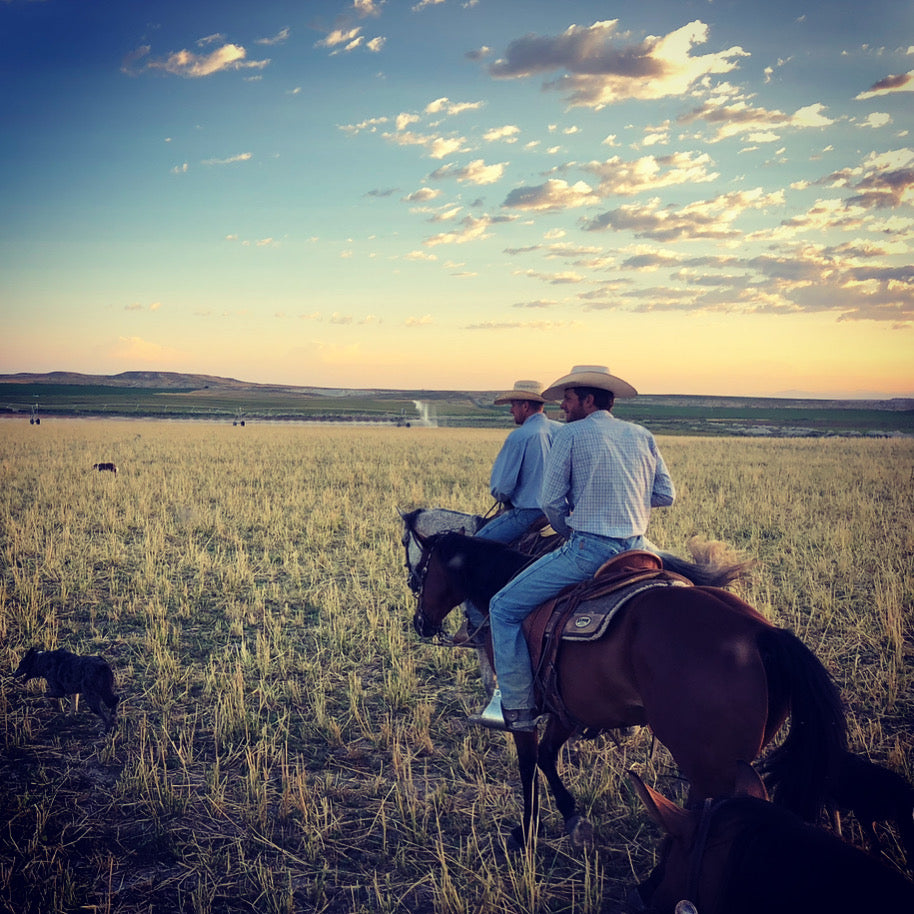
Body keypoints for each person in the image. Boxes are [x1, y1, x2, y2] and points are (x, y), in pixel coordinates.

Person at [480, 365, 676, 732]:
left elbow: (550, 500)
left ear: (588, 399)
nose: (563, 407)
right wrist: (627, 500)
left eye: (568, 398)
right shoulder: (642, 435)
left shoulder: (572, 436)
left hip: (590, 550)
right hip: (638, 548)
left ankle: (517, 707)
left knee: (503, 608)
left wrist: (572, 524)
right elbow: (666, 494)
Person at [456, 380, 561, 647]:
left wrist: (503, 496)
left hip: (527, 512)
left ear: (526, 405)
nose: (511, 411)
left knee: (470, 553)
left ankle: (476, 626)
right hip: (559, 513)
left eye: (514, 405)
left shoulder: (520, 436)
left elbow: (502, 488)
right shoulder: (561, 431)